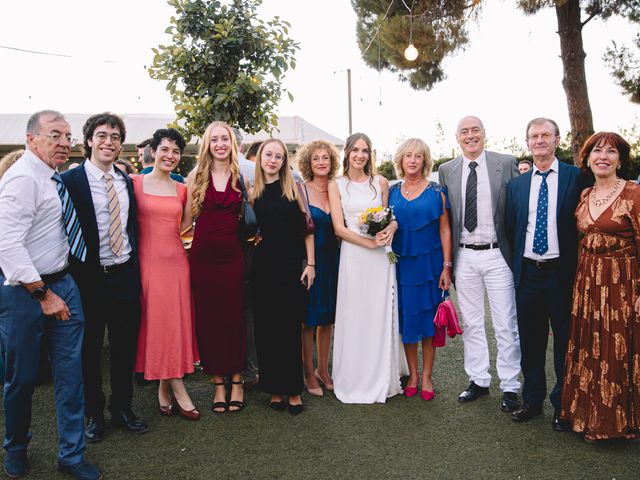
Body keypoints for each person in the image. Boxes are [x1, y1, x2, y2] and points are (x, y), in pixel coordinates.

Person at [0, 110, 101, 479]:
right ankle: (16, 449)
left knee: (70, 376)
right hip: (26, 293)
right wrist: (43, 295)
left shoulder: (54, 178)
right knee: (22, 378)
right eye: (54, 135)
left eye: (68, 136)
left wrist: (60, 288)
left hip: (63, 284)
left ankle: (71, 456)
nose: (64, 143)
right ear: (31, 139)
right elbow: (7, 245)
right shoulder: (22, 179)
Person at [61, 112, 149, 443]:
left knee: (125, 346)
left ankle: (123, 408)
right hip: (88, 279)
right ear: (88, 141)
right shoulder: (69, 182)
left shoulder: (126, 182)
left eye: (114, 136)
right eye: (102, 135)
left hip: (125, 274)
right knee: (91, 348)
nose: (108, 142)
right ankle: (94, 414)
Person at [437, 116, 522, 412]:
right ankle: (479, 380)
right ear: (457, 137)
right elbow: (446, 218)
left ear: (485, 134)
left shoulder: (506, 162)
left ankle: (510, 386)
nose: (470, 135)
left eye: (475, 130)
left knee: (505, 323)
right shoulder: (446, 170)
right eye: (464, 131)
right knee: (472, 323)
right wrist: (447, 265)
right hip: (465, 256)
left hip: (499, 254)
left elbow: (517, 208)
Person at [560, 132, 640, 441]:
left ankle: (616, 422)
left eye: (611, 151)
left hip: (622, 281)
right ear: (587, 157)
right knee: (590, 345)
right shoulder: (585, 195)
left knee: (616, 348)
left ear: (621, 159)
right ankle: (586, 414)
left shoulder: (633, 193)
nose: (602, 156)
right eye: (596, 151)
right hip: (588, 280)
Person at [505, 117, 581, 430]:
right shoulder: (517, 185)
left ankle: (563, 405)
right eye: (534, 136)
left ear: (557, 140)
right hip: (528, 275)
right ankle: (532, 401)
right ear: (527, 143)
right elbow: (511, 228)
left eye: (545, 135)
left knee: (565, 342)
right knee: (531, 341)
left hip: (561, 274)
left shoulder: (577, 178)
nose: (539, 140)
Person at [328, 132, 404, 404]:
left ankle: (383, 374)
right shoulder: (336, 185)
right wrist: (367, 244)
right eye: (355, 150)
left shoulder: (380, 182)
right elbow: (339, 228)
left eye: (365, 150)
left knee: (380, 311)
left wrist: (391, 230)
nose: (360, 155)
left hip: (382, 258)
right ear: (347, 153)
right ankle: (355, 376)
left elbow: (390, 217)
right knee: (355, 312)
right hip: (354, 256)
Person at [133, 128, 200, 420]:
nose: (170, 156)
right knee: (157, 323)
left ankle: (164, 388)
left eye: (175, 151)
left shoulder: (182, 189)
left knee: (173, 325)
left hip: (176, 264)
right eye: (164, 149)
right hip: (147, 265)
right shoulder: (134, 183)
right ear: (153, 150)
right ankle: (179, 388)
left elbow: (186, 229)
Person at [183, 121, 247, 413]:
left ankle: (237, 380)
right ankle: (218, 383)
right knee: (208, 320)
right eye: (214, 139)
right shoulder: (196, 176)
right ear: (207, 144)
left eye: (225, 139)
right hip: (203, 259)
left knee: (233, 318)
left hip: (233, 257)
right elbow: (184, 222)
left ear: (232, 143)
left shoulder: (242, 175)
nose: (220, 144)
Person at [251, 138, 316, 415]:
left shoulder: (294, 189)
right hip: (262, 267)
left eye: (278, 156)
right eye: (269, 154)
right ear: (260, 158)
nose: (273, 160)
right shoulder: (251, 191)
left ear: (283, 161)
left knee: (289, 329)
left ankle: (293, 391)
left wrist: (311, 264)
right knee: (266, 329)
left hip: (290, 267)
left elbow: (308, 229)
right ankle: (274, 389)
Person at [389, 138, 452, 401]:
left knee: (428, 323)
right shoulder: (391, 192)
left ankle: (426, 376)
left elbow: (445, 229)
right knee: (407, 320)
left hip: (430, 266)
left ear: (425, 161)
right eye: (408, 156)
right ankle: (412, 374)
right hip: (401, 266)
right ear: (400, 161)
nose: (413, 160)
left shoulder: (437, 192)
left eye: (418, 156)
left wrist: (446, 267)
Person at [297, 140, 341, 396]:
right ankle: (307, 372)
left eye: (325, 157)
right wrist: (309, 263)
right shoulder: (300, 190)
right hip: (309, 262)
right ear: (308, 163)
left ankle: (322, 370)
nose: (322, 162)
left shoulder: (337, 189)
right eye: (316, 158)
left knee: (328, 318)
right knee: (308, 319)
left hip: (334, 259)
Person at [232, 128, 259, 389]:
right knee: (248, 311)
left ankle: (236, 369)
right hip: (250, 248)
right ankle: (250, 369)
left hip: (237, 248)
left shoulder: (199, 173)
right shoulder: (253, 168)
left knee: (235, 310)